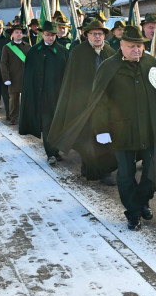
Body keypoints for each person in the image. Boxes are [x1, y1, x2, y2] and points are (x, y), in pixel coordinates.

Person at [77, 24, 156, 230]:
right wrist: (101, 128)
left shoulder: (151, 63)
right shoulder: (109, 66)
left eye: (139, 46)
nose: (136, 50)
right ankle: (133, 212)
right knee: (126, 173)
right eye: (131, 46)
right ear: (121, 44)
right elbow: (99, 100)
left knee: (151, 170)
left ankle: (143, 201)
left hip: (148, 128)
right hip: (121, 130)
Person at [50, 18, 119, 183]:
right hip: (84, 102)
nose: (97, 37)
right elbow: (72, 81)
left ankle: (105, 171)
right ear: (87, 35)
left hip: (105, 103)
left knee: (106, 137)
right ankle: (89, 167)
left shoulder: (110, 52)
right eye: (94, 34)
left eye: (100, 34)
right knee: (87, 137)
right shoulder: (78, 53)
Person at [19, 21, 70, 164]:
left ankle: (56, 149)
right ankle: (51, 153)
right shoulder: (34, 52)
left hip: (58, 95)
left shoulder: (62, 52)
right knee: (47, 125)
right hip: (42, 97)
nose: (50, 38)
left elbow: (67, 75)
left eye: (53, 35)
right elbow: (29, 76)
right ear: (42, 34)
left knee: (59, 124)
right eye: (47, 35)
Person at [0, 24, 32, 125]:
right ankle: (13, 117)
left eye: (21, 32)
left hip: (26, 76)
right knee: (14, 99)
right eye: (17, 32)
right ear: (12, 35)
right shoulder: (7, 47)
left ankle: (26, 117)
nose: (19, 34)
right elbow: (3, 64)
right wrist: (6, 78)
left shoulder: (28, 46)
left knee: (27, 98)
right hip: (13, 77)